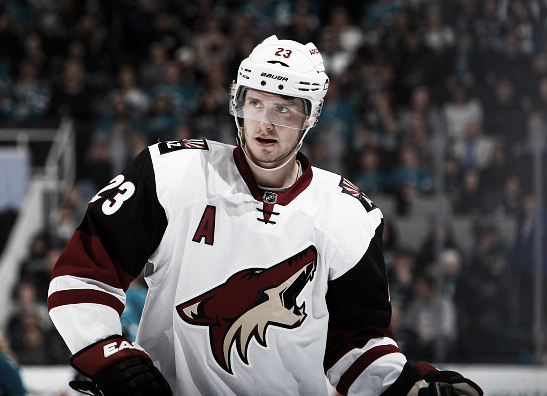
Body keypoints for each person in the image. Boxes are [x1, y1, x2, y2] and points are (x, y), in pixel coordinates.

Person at [48, 36, 483, 396]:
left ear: (309, 117)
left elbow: (356, 344)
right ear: (239, 102)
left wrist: (407, 387)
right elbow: (81, 276)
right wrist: (110, 356)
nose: (266, 123)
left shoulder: (349, 215)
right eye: (255, 103)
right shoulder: (171, 173)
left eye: (284, 109)